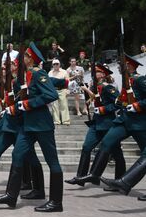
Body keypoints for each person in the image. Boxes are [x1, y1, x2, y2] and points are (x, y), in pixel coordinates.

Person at [0, 42, 63, 212]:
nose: (21, 59)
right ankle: (11, 195)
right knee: (17, 154)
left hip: (42, 126)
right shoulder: (27, 76)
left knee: (53, 162)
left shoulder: (39, 74)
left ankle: (56, 202)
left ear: (30, 59)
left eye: (24, 56)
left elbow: (51, 95)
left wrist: (28, 104)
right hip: (27, 126)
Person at [75, 55, 146, 189]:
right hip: (124, 121)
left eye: (122, 65)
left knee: (144, 155)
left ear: (129, 66)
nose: (119, 67)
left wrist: (137, 106)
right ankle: (94, 174)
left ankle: (121, 182)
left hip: (139, 124)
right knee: (107, 142)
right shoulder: (126, 81)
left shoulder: (140, 80)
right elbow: (120, 101)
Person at [65, 64, 125, 187]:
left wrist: (103, 109)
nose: (95, 74)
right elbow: (93, 99)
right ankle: (80, 177)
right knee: (86, 147)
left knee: (117, 153)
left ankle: (119, 181)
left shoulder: (108, 88)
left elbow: (120, 103)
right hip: (96, 124)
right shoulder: (96, 87)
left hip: (108, 124)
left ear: (103, 74)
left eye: (97, 72)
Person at [48, 59, 70, 125]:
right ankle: (56, 121)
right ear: (52, 65)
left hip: (62, 89)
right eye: (54, 64)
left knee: (64, 105)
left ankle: (65, 121)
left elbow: (67, 81)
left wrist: (67, 90)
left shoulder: (64, 72)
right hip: (54, 90)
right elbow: (48, 83)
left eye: (57, 64)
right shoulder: (50, 72)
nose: (56, 65)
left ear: (59, 64)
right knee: (54, 106)